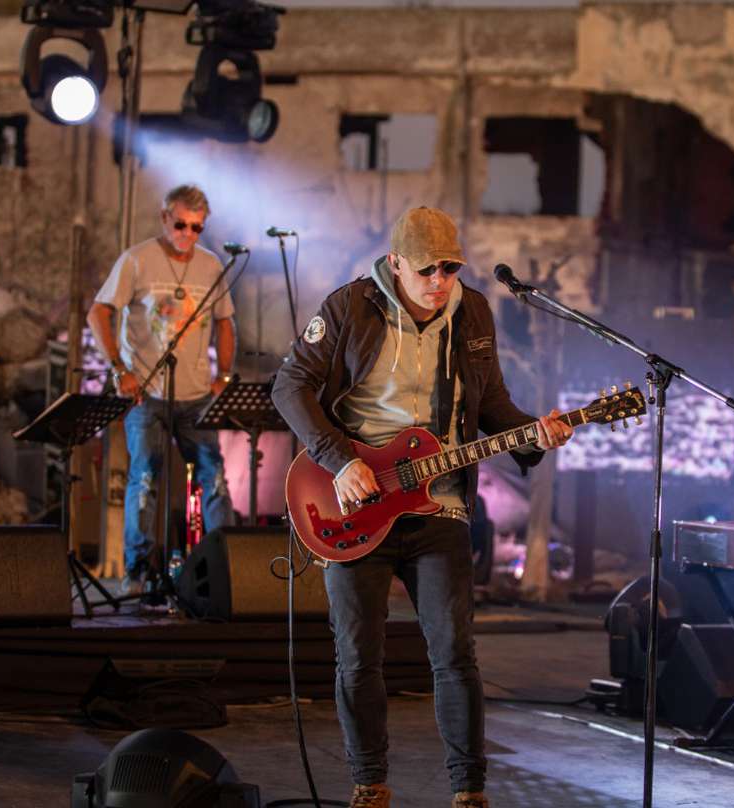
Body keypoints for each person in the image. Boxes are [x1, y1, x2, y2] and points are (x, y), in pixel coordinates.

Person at [271, 206, 573, 808]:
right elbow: (289, 385)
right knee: (358, 655)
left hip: (439, 502)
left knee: (455, 653)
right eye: (427, 269)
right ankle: (369, 784)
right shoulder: (349, 306)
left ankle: (469, 790)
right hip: (354, 496)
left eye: (451, 268)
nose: (440, 280)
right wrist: (339, 461)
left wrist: (532, 436)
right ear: (395, 264)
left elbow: (492, 406)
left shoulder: (473, 313)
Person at [87, 184, 237, 596]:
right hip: (146, 393)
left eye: (197, 227)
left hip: (195, 394)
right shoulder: (136, 259)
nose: (188, 234)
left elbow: (226, 321)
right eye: (181, 224)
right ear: (164, 218)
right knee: (145, 477)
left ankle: (227, 568)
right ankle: (137, 571)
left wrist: (224, 374)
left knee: (213, 477)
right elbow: (98, 312)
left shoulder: (212, 266)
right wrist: (119, 368)